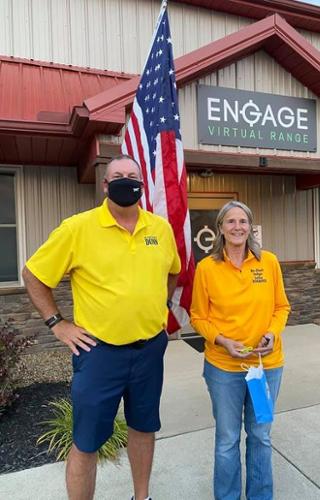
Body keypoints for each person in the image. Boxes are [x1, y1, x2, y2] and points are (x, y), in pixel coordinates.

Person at [22, 154, 180, 500]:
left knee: (143, 427)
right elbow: (33, 275)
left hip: (149, 350)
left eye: (133, 176)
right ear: (105, 185)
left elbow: (173, 272)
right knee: (87, 440)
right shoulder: (78, 228)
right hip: (99, 354)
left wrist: (160, 306)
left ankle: (142, 496)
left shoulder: (160, 228)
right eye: (118, 176)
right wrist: (57, 324)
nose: (127, 181)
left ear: (141, 183)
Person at [190, 200, 290, 500]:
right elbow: (198, 316)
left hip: (265, 367)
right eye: (230, 221)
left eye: (243, 221)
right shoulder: (207, 268)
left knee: (260, 435)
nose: (237, 227)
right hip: (224, 369)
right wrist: (222, 341)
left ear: (251, 227)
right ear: (220, 227)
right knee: (227, 439)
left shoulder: (268, 262)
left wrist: (272, 333)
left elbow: (281, 307)